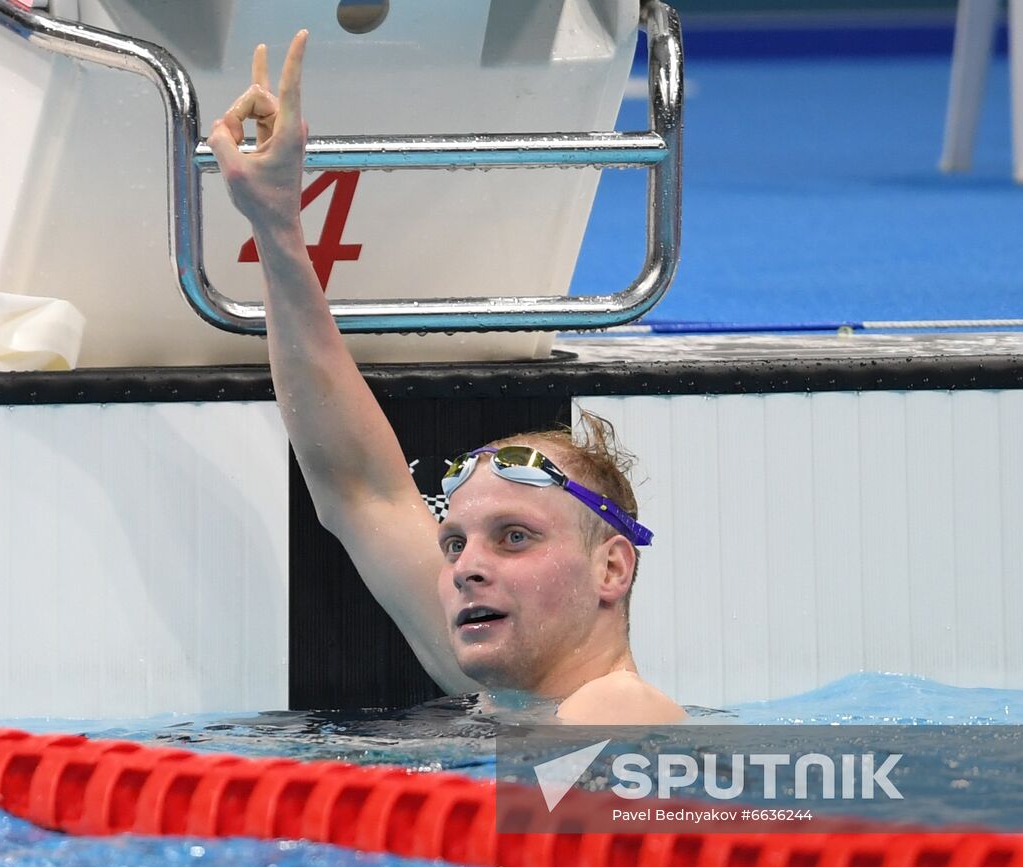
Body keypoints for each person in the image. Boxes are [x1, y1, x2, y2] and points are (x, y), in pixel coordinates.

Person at [209, 33, 685, 725]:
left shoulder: (616, 711)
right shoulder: (516, 697)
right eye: (455, 541)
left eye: (514, 536)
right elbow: (356, 486)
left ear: (611, 569)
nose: (466, 567)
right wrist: (276, 223)